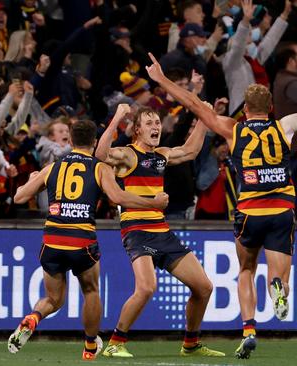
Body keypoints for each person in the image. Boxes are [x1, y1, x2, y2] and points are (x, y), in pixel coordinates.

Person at [145, 47, 297, 359]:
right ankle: (278, 289)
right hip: (281, 210)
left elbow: (193, 104)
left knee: (246, 270)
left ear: (245, 108)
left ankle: (249, 328)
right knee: (280, 275)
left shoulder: (233, 129)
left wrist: (162, 79)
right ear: (271, 107)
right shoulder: (283, 126)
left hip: (249, 212)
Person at [7, 120, 168, 360]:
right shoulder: (99, 167)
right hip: (81, 241)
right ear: (94, 143)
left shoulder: (53, 167)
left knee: (53, 298)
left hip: (52, 240)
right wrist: (153, 203)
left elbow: (19, 197)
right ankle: (91, 347)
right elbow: (119, 197)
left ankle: (34, 317)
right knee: (91, 291)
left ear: (70, 141)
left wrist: (32, 179)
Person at [94, 105, 223, 358]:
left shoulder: (161, 155)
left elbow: (190, 150)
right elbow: (100, 154)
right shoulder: (128, 155)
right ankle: (115, 343)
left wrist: (204, 118)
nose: (156, 126)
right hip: (137, 231)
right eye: (149, 123)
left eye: (157, 122)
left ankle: (191, 344)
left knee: (204, 287)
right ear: (137, 130)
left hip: (162, 231)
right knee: (146, 288)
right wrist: (118, 117)